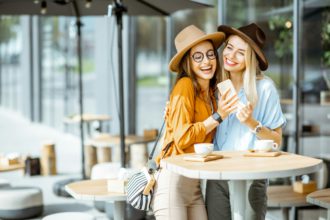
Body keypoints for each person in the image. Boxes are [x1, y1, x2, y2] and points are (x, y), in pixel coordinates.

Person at [151, 25, 234, 220]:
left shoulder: (211, 95)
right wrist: (217, 117)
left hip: (194, 187)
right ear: (188, 62)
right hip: (173, 184)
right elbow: (182, 138)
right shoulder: (185, 85)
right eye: (198, 57)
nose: (206, 61)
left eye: (210, 54)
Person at [205, 23, 286, 220]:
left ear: (250, 59)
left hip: (252, 174)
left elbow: (277, 141)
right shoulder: (214, 87)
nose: (230, 56)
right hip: (218, 173)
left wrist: (251, 122)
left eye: (240, 52)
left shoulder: (265, 88)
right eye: (229, 47)